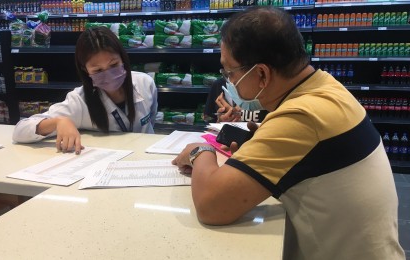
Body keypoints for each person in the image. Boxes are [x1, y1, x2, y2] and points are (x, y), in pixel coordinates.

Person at [173, 6, 405, 260]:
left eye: (229, 72)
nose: (228, 80)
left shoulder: (301, 117)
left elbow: (211, 206)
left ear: (261, 73)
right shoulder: (325, 87)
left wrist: (200, 151)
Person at [12, 26, 158, 154]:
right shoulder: (79, 101)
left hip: (146, 160)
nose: (108, 74)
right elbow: (20, 131)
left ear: (123, 58)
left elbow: (151, 120)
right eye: (98, 70)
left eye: (114, 65)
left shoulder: (145, 83)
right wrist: (58, 122)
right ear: (86, 70)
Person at [203, 77, 268, 123]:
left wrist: (239, 113)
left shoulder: (268, 89)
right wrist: (220, 122)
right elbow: (207, 119)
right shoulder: (219, 85)